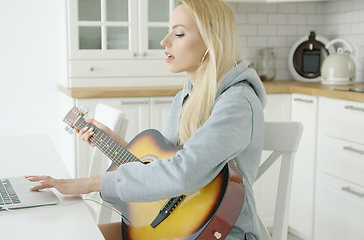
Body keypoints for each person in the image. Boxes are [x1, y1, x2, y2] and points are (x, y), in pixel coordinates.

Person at [26, 0, 266, 239]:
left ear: (211, 40)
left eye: (179, 33)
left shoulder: (237, 102)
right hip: (181, 226)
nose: (164, 41)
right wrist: (117, 143)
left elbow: (184, 172)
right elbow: (165, 167)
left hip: (225, 232)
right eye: (168, 31)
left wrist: (89, 183)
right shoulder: (184, 98)